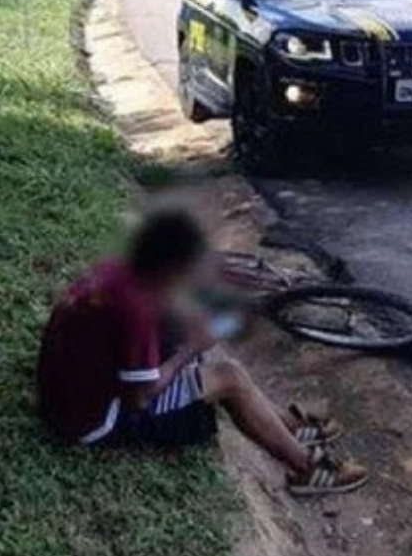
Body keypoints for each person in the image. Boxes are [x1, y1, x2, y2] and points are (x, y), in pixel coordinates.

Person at [36, 208, 369, 496]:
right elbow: (140, 397)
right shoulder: (135, 309)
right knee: (229, 377)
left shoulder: (119, 271)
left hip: (66, 390)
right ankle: (307, 469)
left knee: (190, 338)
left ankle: (289, 427)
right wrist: (191, 348)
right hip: (96, 421)